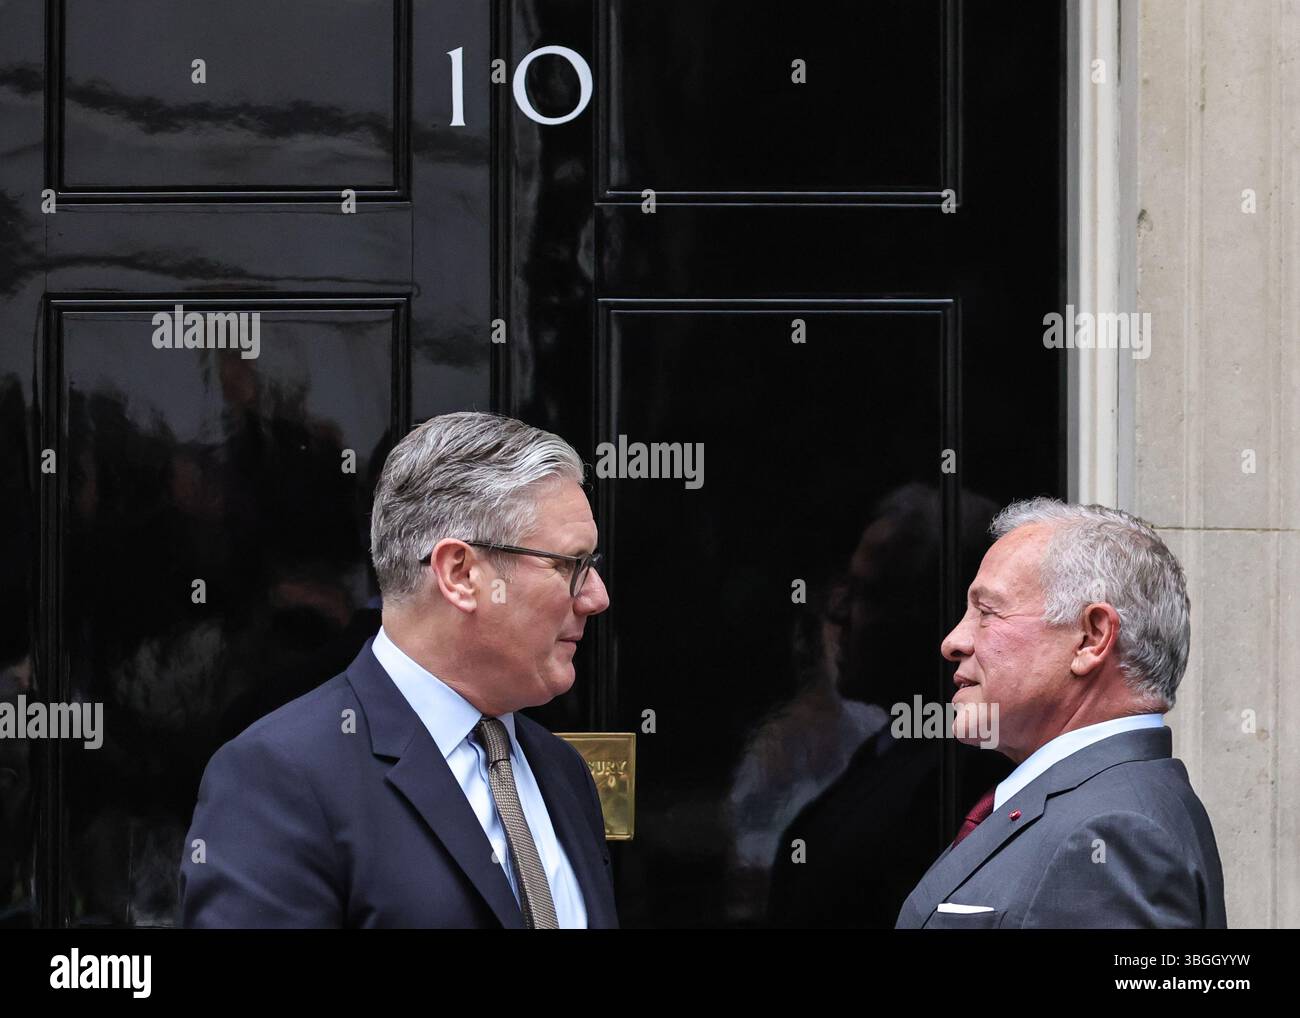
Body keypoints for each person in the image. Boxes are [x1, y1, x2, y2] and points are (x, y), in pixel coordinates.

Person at [180, 411, 617, 928]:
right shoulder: (279, 778)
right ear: (460, 573)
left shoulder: (561, 772)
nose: (596, 596)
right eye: (570, 565)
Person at [895, 498, 1226, 929]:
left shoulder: (1113, 830)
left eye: (987, 612)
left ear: (1092, 637)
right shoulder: (1101, 804)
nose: (953, 641)